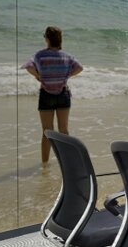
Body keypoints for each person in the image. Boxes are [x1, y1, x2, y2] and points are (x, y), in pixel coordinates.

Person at [22, 26, 83, 164]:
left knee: (47, 132)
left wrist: (38, 77)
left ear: (47, 39)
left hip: (46, 94)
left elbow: (28, 66)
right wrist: (67, 75)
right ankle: (66, 162)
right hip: (63, 93)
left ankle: (45, 163)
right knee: (64, 130)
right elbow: (79, 68)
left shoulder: (39, 55)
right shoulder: (67, 56)